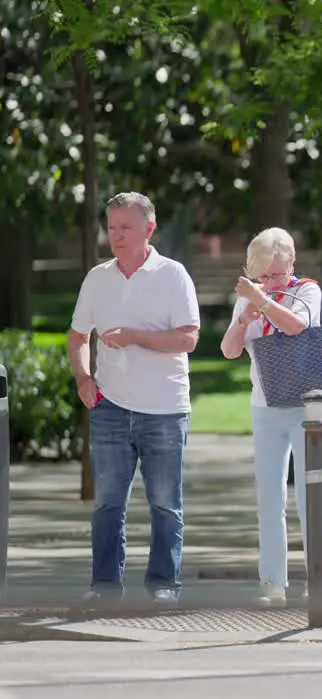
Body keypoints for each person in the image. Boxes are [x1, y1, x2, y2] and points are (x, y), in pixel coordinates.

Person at [67, 191, 201, 607]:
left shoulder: (173, 275)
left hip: (164, 409)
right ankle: (104, 587)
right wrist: (84, 377)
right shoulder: (98, 278)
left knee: (164, 503)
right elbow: (77, 337)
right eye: (111, 227)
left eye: (125, 227)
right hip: (109, 407)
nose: (116, 235)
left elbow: (188, 338)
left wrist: (136, 337)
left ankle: (164, 584)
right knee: (108, 503)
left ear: (149, 228)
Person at [219, 227, 322, 608]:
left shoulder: (306, 291)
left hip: (307, 406)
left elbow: (295, 327)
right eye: (264, 274)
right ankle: (273, 584)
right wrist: (243, 318)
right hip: (265, 406)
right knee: (270, 499)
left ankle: (318, 580)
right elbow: (230, 350)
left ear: (292, 264)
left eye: (278, 272)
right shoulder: (252, 296)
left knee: (312, 498)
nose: (272, 280)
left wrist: (261, 300)